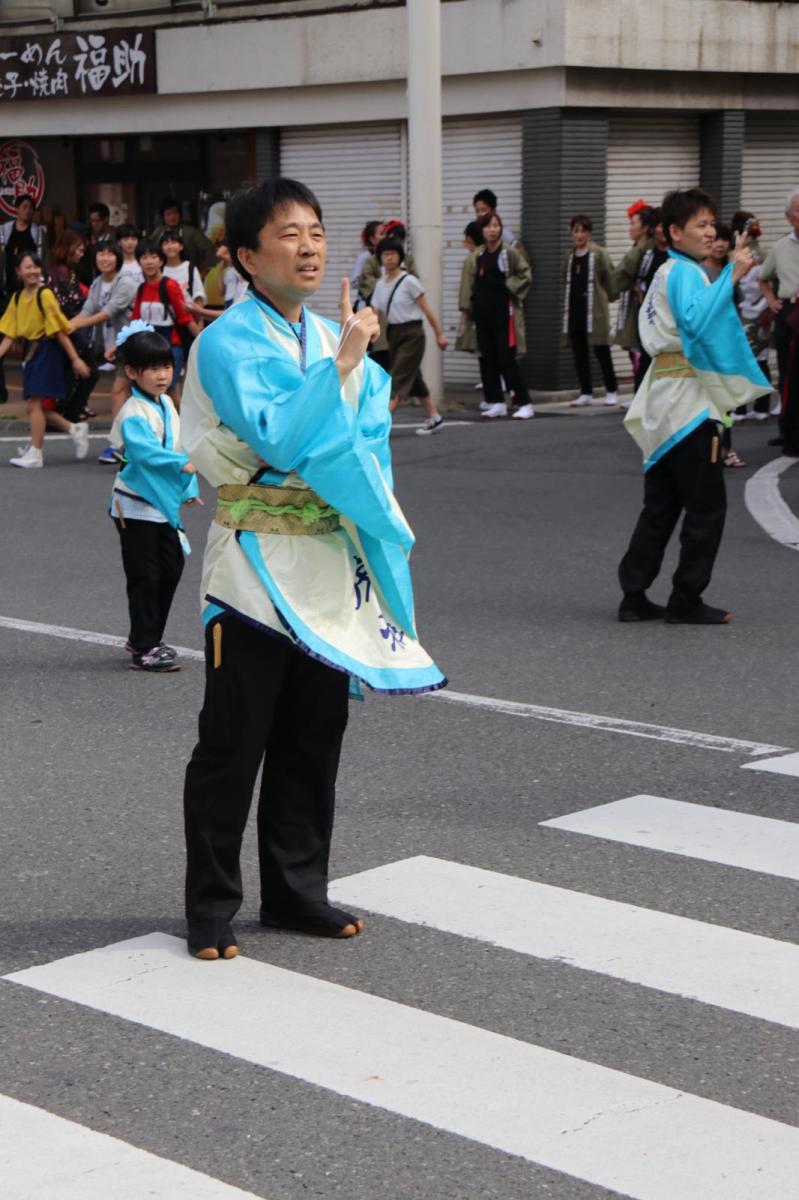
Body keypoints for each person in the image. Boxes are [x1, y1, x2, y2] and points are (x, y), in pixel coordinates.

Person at [180, 177, 446, 960]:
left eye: (316, 231)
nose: (308, 246)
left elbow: (366, 450)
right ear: (242, 256)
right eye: (288, 233)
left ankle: (297, 892)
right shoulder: (227, 341)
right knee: (233, 745)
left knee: (311, 737)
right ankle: (210, 908)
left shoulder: (337, 337)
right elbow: (285, 445)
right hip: (253, 571)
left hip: (327, 565)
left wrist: (344, 371)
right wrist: (341, 366)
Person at [618, 188, 768, 625]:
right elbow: (696, 322)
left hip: (666, 401)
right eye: (699, 225)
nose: (709, 232)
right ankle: (685, 597)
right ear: (673, 232)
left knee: (661, 506)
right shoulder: (685, 273)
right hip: (687, 407)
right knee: (705, 506)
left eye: (710, 223)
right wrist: (733, 275)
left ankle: (634, 594)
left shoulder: (671, 272)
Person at [109, 322, 202, 672]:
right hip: (133, 507)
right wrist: (183, 466)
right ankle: (146, 646)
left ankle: (143, 635)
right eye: (153, 369)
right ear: (132, 372)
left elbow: (178, 445)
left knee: (171, 566)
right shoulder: (134, 412)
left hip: (160, 505)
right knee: (145, 575)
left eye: (166, 366)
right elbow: (146, 453)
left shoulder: (165, 403)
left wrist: (189, 488)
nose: (163, 375)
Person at [0, 251, 91, 468]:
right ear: (18, 271)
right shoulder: (17, 298)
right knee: (35, 407)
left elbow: (59, 331)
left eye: (35, 267)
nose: (32, 271)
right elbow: (9, 334)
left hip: (47, 352)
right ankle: (74, 429)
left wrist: (75, 359)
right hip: (32, 353)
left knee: (34, 404)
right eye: (27, 267)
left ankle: (36, 453)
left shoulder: (45, 295)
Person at [370, 235, 448, 434]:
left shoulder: (409, 281)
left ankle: (380, 428)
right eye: (385, 254)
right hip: (393, 333)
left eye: (393, 254)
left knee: (396, 378)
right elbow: (375, 312)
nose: (389, 258)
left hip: (413, 333)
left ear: (400, 256)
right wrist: (368, 335)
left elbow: (427, 309)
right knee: (413, 378)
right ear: (380, 258)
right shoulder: (380, 284)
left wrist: (439, 334)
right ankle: (434, 416)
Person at [459, 213, 532, 420]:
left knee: (506, 359)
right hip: (482, 314)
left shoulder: (509, 253)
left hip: (504, 315)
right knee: (487, 359)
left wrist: (509, 286)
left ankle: (524, 402)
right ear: (482, 230)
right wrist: (465, 317)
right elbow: (467, 287)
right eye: (488, 226)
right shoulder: (477, 256)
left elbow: (525, 273)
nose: (492, 230)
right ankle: (496, 401)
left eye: (496, 226)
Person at [70, 242, 138, 464]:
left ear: (117, 258)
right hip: (118, 345)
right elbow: (87, 311)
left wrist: (75, 326)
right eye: (101, 253)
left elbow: (107, 313)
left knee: (127, 392)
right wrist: (63, 326)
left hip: (135, 342)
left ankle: (123, 443)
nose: (105, 258)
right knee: (126, 393)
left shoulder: (125, 282)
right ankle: (121, 443)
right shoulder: (98, 283)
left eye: (110, 254)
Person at [128, 238, 200, 403]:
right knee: (160, 390)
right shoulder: (142, 288)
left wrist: (203, 341)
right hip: (148, 346)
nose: (149, 262)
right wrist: (118, 346)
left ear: (161, 260)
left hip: (171, 345)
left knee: (166, 388)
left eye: (153, 257)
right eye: (144, 258)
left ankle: (176, 426)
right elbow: (135, 320)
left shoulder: (170, 285)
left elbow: (185, 318)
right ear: (139, 261)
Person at [562, 215, 619, 407]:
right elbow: (565, 278)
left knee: (602, 351)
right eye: (576, 230)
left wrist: (609, 297)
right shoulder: (569, 256)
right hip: (575, 309)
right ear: (571, 232)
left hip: (595, 311)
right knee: (579, 353)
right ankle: (585, 391)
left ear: (589, 232)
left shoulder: (599, 253)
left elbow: (610, 279)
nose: (579, 235)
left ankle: (611, 390)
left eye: (583, 230)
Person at [759, 189, 799, 454]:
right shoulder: (780, 246)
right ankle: (788, 433)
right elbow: (763, 278)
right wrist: (772, 301)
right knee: (787, 374)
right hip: (790, 312)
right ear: (788, 217)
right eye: (798, 209)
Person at [730, 210, 773, 421]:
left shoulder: (738, 254)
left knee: (742, 360)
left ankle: (741, 407)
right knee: (760, 360)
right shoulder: (764, 254)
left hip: (743, 311)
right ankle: (761, 405)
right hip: (761, 311)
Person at [611, 201, 654, 394]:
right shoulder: (641, 248)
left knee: (639, 354)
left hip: (642, 308)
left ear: (645, 227)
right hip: (637, 305)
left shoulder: (643, 250)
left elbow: (618, 278)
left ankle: (641, 395)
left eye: (633, 223)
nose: (630, 228)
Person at [151, 197, 216, 273]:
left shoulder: (191, 232)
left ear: (180, 214)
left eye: (175, 213)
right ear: (163, 217)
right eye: (168, 214)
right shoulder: (158, 232)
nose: (172, 217)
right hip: (164, 271)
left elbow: (208, 248)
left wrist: (207, 268)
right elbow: (149, 248)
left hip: (188, 271)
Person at [161, 229, 207, 307]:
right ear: (161, 248)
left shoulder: (190, 268)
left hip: (188, 316)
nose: (170, 246)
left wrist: (199, 317)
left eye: (173, 242)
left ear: (181, 246)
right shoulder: (160, 270)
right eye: (166, 243)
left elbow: (199, 296)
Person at [349, 220, 384, 308]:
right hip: (366, 305)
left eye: (386, 233)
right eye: (382, 234)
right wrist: (373, 281)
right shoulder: (364, 257)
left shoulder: (387, 256)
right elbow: (354, 281)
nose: (385, 236)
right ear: (372, 239)